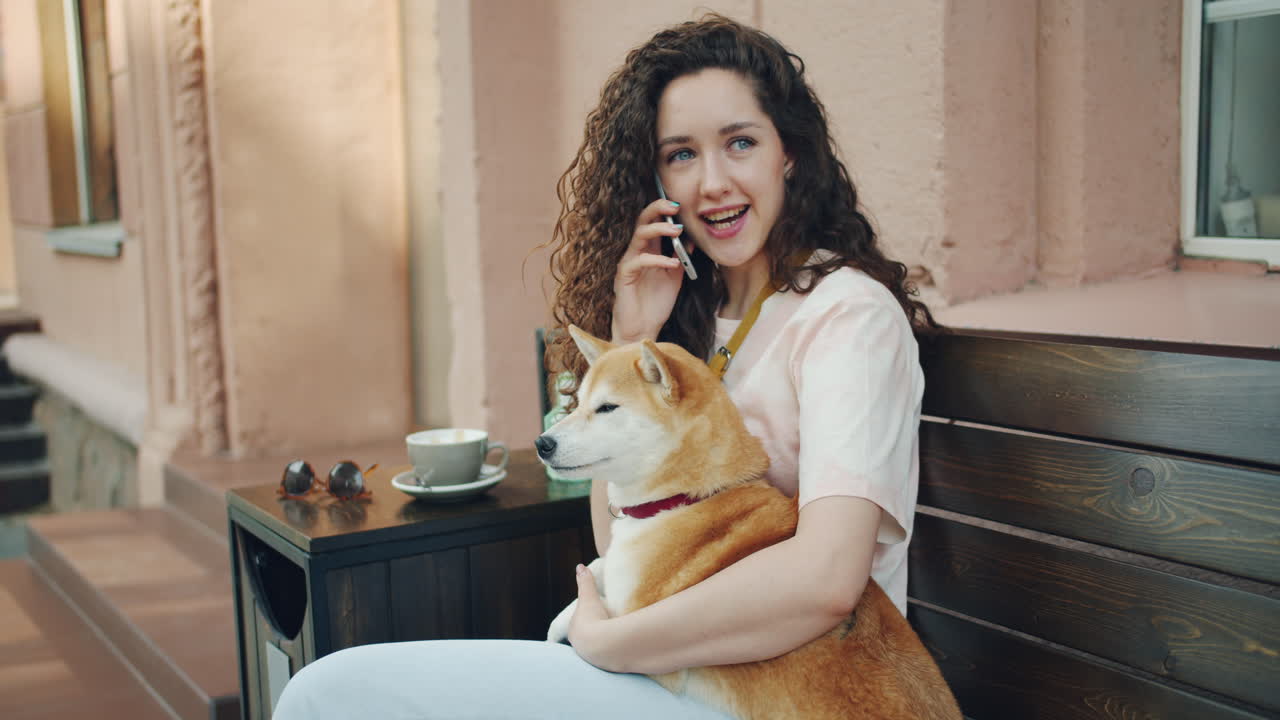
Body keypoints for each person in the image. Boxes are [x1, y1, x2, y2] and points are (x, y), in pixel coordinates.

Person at [274, 14, 938, 719]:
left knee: (328, 697)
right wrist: (632, 336)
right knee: (329, 691)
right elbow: (624, 538)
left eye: (740, 143)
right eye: (681, 154)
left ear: (790, 154)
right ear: (654, 177)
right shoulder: (692, 318)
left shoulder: (847, 318)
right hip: (678, 671)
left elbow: (828, 583)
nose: (712, 182)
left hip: (795, 694)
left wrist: (609, 643)